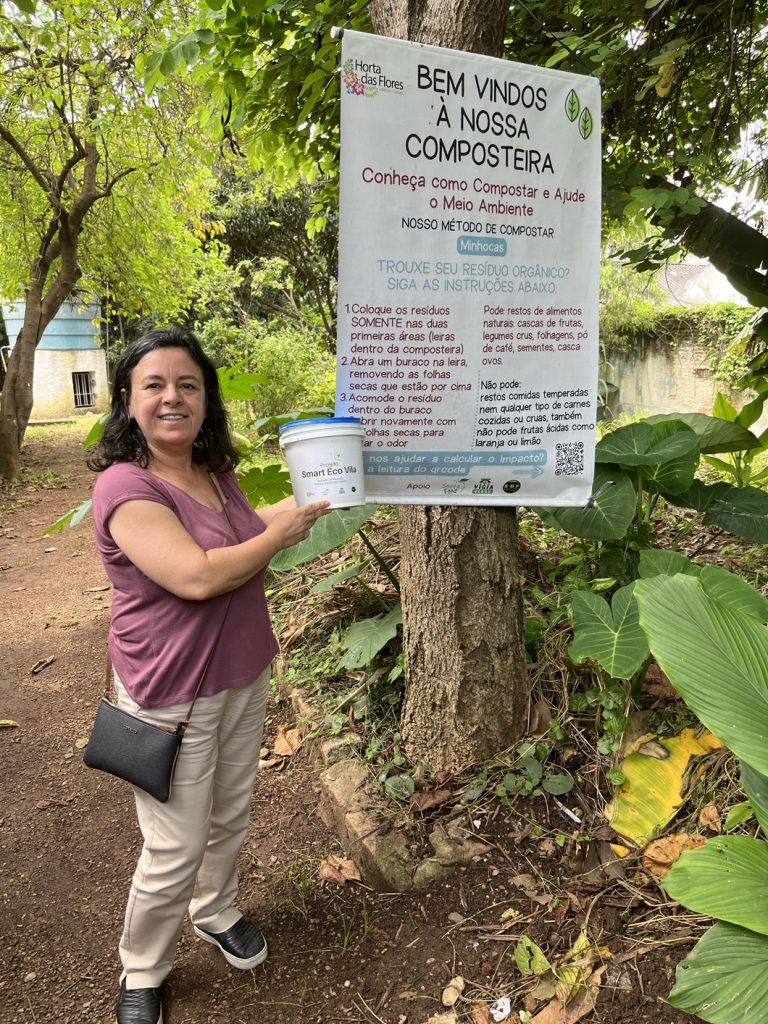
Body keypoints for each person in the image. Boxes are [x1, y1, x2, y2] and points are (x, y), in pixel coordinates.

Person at [89, 326, 329, 1024]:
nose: (173, 397)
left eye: (188, 384)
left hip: (242, 673)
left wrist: (315, 501)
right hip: (170, 691)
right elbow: (194, 576)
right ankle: (143, 969)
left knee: (229, 809)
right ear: (128, 402)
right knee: (173, 842)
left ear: (206, 398)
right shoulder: (124, 487)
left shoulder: (214, 471)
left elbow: (257, 529)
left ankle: (215, 909)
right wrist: (275, 536)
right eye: (155, 385)